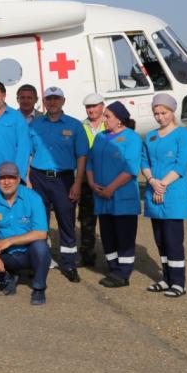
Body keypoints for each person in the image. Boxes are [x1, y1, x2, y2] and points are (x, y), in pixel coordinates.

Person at [28, 86, 89, 283]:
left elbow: (82, 156)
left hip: (64, 179)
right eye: (49, 99)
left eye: (56, 99)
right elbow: (28, 154)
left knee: (66, 221)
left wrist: (77, 183)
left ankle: (69, 263)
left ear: (63, 101)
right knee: (39, 221)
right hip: (38, 178)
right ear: (44, 102)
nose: (52, 102)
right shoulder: (35, 125)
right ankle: (41, 260)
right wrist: (27, 181)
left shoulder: (74, 125)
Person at [141, 93, 187, 298]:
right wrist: (152, 181)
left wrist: (162, 184)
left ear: (172, 112)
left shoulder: (183, 135)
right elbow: (144, 161)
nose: (160, 117)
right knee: (160, 240)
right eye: (156, 113)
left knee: (173, 241)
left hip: (172, 194)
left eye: (164, 113)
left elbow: (181, 165)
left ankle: (179, 282)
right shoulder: (151, 136)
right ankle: (166, 278)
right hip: (154, 192)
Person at [87, 101, 142, 288]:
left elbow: (131, 168)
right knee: (108, 235)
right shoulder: (100, 137)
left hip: (121, 196)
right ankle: (113, 268)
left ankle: (123, 273)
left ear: (120, 120)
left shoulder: (132, 138)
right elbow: (90, 161)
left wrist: (111, 188)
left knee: (124, 236)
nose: (104, 119)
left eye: (108, 116)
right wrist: (92, 183)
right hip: (102, 197)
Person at [0, 162, 51, 305]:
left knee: (41, 248)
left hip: (29, 252)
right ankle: (8, 279)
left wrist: (10, 240)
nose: (6, 182)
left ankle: (39, 288)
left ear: (18, 179)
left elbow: (41, 233)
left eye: (11, 177)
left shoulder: (34, 198)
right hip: (6, 254)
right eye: (2, 178)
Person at [78, 92, 106, 266]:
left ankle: (112, 256)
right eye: (88, 107)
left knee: (108, 221)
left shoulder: (110, 124)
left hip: (108, 181)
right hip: (86, 182)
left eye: (94, 106)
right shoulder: (80, 127)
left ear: (102, 106)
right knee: (87, 220)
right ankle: (87, 255)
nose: (91, 110)